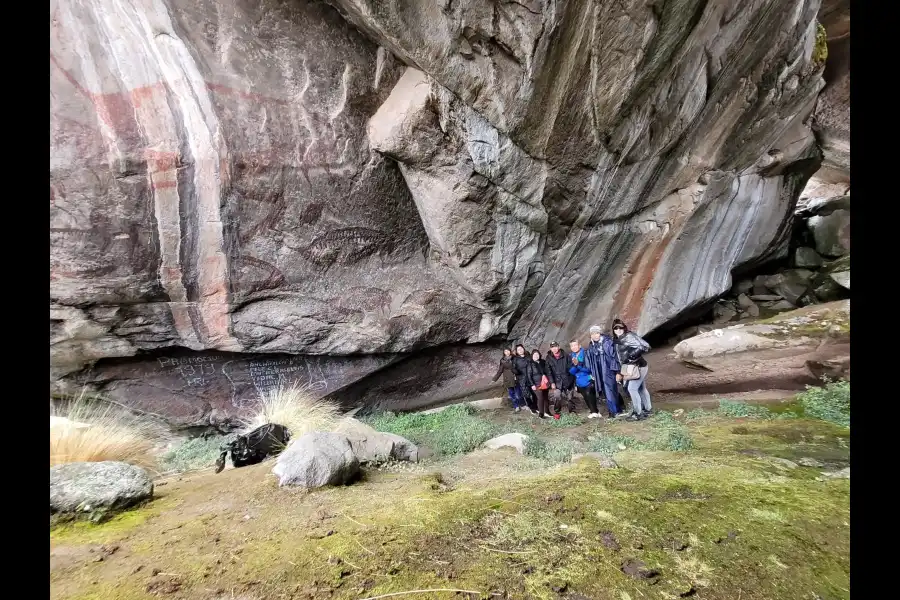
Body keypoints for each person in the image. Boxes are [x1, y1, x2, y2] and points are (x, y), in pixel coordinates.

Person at [612, 319, 653, 421]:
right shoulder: (617, 339)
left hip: (638, 366)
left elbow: (645, 346)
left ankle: (637, 413)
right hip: (630, 367)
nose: (618, 329)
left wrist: (631, 356)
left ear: (624, 327)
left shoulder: (628, 336)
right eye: (616, 328)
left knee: (632, 389)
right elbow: (619, 356)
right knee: (641, 388)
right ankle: (648, 410)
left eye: (620, 327)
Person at [584, 325, 622, 417]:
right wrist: (592, 373)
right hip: (599, 372)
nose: (595, 335)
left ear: (600, 333)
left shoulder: (607, 342)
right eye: (593, 334)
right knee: (607, 391)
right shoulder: (592, 345)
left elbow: (614, 357)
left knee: (610, 391)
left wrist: (617, 371)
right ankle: (617, 409)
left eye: (597, 333)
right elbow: (589, 361)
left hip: (609, 371)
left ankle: (613, 412)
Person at [569, 339, 601, 419]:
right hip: (579, 380)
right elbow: (571, 371)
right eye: (572, 346)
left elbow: (588, 369)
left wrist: (578, 365)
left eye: (575, 345)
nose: (574, 347)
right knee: (585, 397)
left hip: (587, 378)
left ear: (579, 345)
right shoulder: (571, 356)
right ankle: (594, 411)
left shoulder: (586, 353)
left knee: (590, 394)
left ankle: (594, 411)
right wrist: (576, 366)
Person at [545, 342, 576, 414]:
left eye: (555, 346)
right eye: (552, 347)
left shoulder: (566, 355)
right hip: (557, 381)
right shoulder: (548, 358)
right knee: (557, 396)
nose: (554, 348)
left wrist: (572, 380)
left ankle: (572, 411)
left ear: (558, 347)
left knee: (570, 397)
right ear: (551, 349)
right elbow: (548, 372)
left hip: (567, 379)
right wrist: (552, 382)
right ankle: (557, 411)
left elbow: (570, 368)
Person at [493, 348, 525, 412]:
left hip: (515, 378)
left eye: (508, 351)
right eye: (505, 351)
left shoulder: (514, 358)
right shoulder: (502, 360)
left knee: (518, 394)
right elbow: (500, 371)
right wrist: (494, 379)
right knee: (512, 394)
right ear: (504, 353)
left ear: (510, 351)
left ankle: (522, 405)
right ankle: (516, 406)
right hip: (507, 379)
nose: (507, 352)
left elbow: (519, 367)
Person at [525, 348, 552, 418]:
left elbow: (548, 371)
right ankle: (541, 414)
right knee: (540, 398)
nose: (536, 356)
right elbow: (529, 375)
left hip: (545, 383)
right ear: (532, 356)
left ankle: (547, 412)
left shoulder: (543, 362)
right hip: (536, 384)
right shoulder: (530, 364)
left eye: (537, 354)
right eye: (534, 355)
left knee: (546, 398)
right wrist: (532, 384)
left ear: (539, 355)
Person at [512, 344, 537, 414]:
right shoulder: (516, 359)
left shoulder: (528, 356)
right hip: (522, 379)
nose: (520, 350)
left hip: (532, 377)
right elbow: (513, 368)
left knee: (534, 392)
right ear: (516, 351)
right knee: (526, 394)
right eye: (518, 350)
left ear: (523, 349)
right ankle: (531, 407)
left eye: (521, 348)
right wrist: (516, 371)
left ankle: (536, 405)